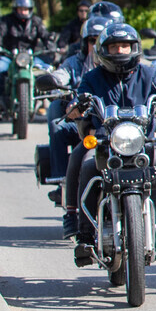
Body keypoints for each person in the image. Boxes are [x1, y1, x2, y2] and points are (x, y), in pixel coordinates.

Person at [58, 23, 156, 264]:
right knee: (83, 162)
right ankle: (83, 233)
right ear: (104, 50)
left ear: (134, 47)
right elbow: (79, 99)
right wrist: (74, 108)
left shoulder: (149, 74)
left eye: (125, 46)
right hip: (105, 142)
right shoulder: (92, 77)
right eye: (114, 47)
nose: (120, 51)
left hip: (143, 141)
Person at [45, 14, 110, 199]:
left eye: (102, 41)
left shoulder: (118, 69)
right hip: (82, 122)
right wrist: (54, 81)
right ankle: (61, 183)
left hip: (110, 126)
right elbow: (61, 75)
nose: (96, 46)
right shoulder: (75, 63)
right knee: (58, 125)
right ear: (84, 43)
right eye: (92, 41)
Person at [0, 0, 54, 106]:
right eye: (20, 9)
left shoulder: (36, 21)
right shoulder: (6, 20)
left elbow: (45, 35)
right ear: (15, 9)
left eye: (26, 9)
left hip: (31, 58)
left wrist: (51, 44)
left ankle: (45, 101)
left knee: (46, 71)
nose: (23, 12)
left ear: (30, 9)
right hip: (9, 56)